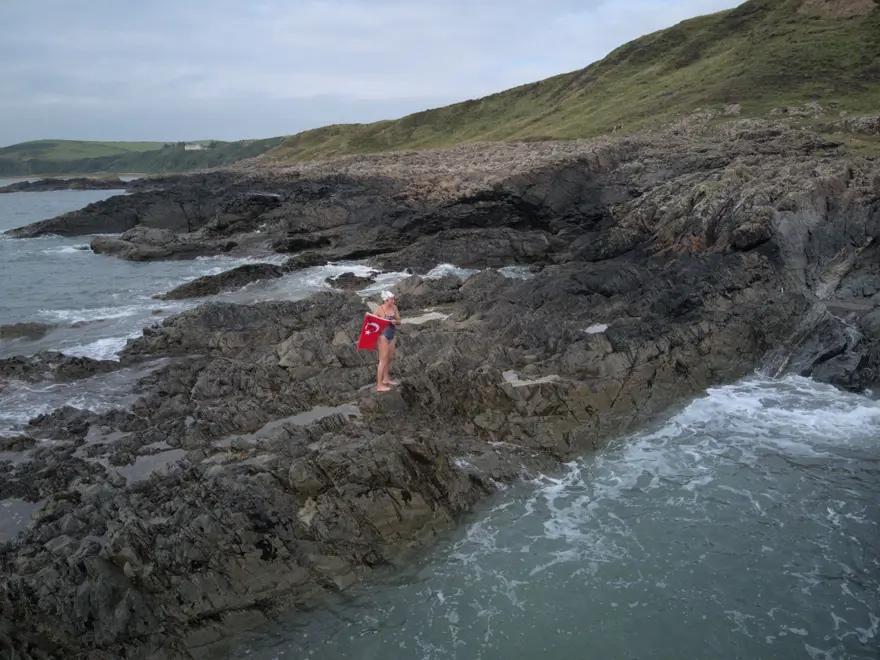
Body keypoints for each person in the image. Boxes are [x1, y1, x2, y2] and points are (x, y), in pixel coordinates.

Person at [375, 290, 401, 392]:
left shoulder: (394, 308)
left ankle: (386, 379)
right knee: (383, 360)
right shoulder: (379, 309)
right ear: (386, 300)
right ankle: (379, 385)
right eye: (391, 299)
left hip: (392, 336)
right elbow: (371, 320)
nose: (393, 301)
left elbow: (399, 321)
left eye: (393, 299)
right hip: (383, 337)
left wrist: (396, 322)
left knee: (390, 358)